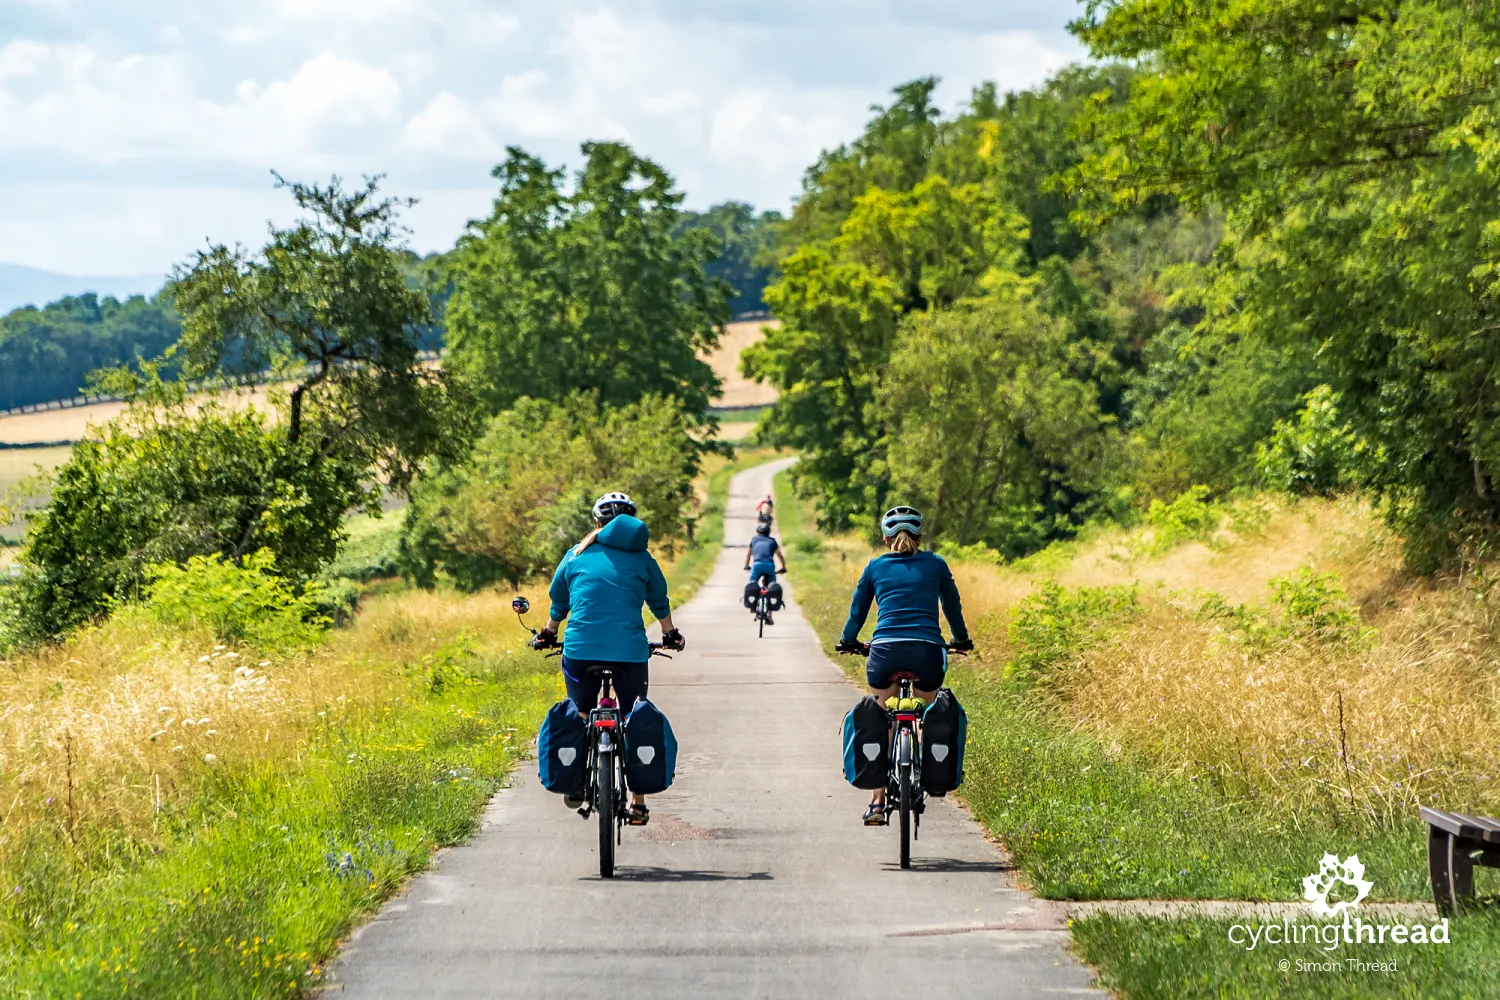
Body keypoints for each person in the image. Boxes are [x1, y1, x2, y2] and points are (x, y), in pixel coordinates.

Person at [532, 491, 685, 825]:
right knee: (633, 717)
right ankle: (638, 803)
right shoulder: (644, 559)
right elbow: (659, 601)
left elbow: (560, 601)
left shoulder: (575, 555)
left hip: (580, 652)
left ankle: (576, 781)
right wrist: (671, 634)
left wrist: (546, 633)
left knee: (581, 712)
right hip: (629, 654)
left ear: (596, 522)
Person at [835, 505, 972, 825]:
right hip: (927, 653)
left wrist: (848, 641)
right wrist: (961, 639)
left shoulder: (875, 567)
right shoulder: (936, 565)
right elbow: (953, 606)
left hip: (885, 653)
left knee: (883, 718)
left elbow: (858, 611)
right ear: (920, 536)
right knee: (925, 712)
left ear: (885, 538)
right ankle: (923, 771)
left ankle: (877, 803)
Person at [743, 521, 788, 623]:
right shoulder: (772, 541)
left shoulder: (754, 540)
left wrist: (746, 566)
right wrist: (783, 567)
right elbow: (780, 556)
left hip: (757, 565)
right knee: (771, 588)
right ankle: (769, 616)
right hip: (769, 566)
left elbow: (748, 555)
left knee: (752, 584)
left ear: (758, 532)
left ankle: (753, 606)